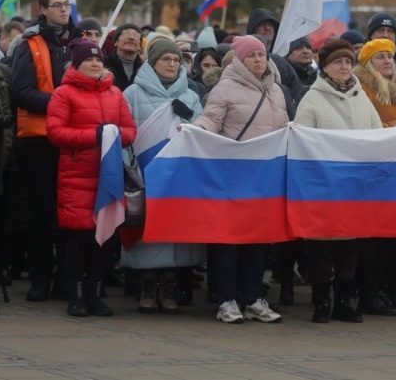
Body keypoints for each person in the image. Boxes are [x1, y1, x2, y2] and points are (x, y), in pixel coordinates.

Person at [193, 35, 289, 324]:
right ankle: (226, 299)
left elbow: (283, 127)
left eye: (261, 54)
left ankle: (252, 298)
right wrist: (195, 131)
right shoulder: (224, 88)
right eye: (252, 55)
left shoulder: (276, 90)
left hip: (265, 177)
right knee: (229, 240)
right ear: (240, 60)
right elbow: (210, 120)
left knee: (259, 239)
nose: (258, 60)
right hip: (232, 176)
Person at [46, 38, 136, 317]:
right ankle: (76, 295)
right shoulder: (64, 93)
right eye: (88, 59)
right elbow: (55, 132)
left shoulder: (115, 93)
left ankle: (95, 295)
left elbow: (130, 130)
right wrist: (95, 135)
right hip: (77, 175)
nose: (95, 63)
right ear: (76, 64)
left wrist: (113, 134)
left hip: (107, 174)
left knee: (103, 237)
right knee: (79, 236)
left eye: (98, 59)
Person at [294, 38, 382, 323]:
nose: (344, 67)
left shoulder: (361, 97)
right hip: (324, 185)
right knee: (322, 244)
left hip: (355, 185)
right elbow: (302, 140)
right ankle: (322, 301)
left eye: (347, 62)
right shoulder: (312, 98)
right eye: (337, 62)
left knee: (350, 244)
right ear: (325, 67)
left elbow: (377, 133)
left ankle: (344, 300)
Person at [121, 37, 203, 314]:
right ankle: (147, 285)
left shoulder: (190, 96)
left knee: (171, 229)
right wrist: (130, 167)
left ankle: (168, 284)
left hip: (177, 175)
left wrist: (188, 121)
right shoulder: (132, 94)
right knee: (145, 226)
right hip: (143, 172)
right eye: (166, 59)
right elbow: (124, 131)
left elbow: (200, 130)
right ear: (153, 62)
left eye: (176, 60)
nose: (172, 64)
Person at [11, 0, 81, 301]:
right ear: (43, 9)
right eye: (57, 5)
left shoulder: (82, 44)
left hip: (75, 139)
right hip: (40, 141)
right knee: (41, 212)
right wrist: (60, 103)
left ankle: (66, 277)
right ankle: (41, 277)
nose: (64, 9)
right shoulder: (29, 44)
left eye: (66, 4)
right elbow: (21, 92)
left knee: (70, 212)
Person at [353, 38, 396, 315]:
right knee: (372, 234)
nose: (387, 61)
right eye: (380, 57)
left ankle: (383, 288)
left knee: (390, 234)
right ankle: (368, 291)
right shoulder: (363, 88)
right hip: (373, 169)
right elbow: (366, 126)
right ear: (368, 63)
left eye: (390, 56)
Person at [245, 8, 306, 104]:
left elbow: (297, 91)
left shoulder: (283, 60)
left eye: (270, 24)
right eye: (261, 24)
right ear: (253, 29)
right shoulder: (243, 58)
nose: (267, 28)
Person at [103, 24, 144, 91]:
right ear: (116, 42)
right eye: (126, 33)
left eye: (136, 35)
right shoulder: (104, 65)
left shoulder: (145, 69)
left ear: (139, 46)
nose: (131, 37)